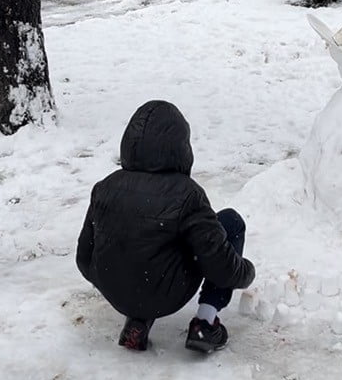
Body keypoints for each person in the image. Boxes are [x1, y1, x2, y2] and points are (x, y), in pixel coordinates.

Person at [76, 100, 255, 353]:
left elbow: (84, 257)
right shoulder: (187, 195)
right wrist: (247, 272)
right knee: (230, 222)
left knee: (146, 245)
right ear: (181, 147)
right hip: (165, 292)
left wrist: (114, 281)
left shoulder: (105, 187)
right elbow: (221, 265)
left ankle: (137, 320)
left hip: (117, 294)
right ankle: (205, 322)